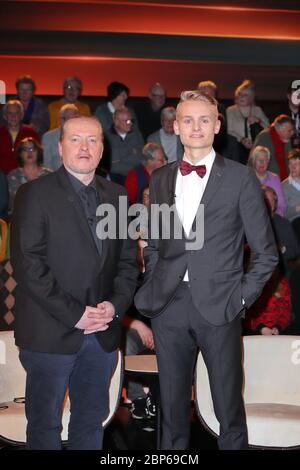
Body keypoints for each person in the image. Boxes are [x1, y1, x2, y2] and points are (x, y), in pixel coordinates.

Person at [135, 90, 278, 450]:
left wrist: (240, 297)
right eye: (187, 120)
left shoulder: (242, 179)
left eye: (203, 119)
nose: (195, 126)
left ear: (217, 125)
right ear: (176, 127)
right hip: (169, 306)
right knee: (170, 408)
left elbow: (266, 253)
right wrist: (157, 278)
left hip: (221, 305)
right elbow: (154, 242)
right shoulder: (162, 178)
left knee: (228, 407)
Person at [11, 115, 138, 450]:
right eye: (76, 139)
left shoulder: (117, 195)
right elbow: (28, 266)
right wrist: (75, 314)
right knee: (44, 426)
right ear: (60, 146)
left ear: (102, 149)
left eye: (93, 140)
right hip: (49, 333)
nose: (85, 147)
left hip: (101, 335)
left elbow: (127, 264)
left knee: (89, 424)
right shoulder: (33, 193)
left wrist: (113, 306)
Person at [7, 137, 52, 214]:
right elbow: (13, 201)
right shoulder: (13, 175)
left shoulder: (49, 175)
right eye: (25, 150)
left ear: (38, 152)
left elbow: (51, 200)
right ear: (20, 154)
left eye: (32, 149)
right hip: (19, 217)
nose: (29, 153)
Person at [248, 145, 287, 216]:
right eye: (258, 159)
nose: (261, 162)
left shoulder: (274, 178)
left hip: (272, 218)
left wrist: (274, 219)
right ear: (253, 161)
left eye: (265, 160)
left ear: (268, 162)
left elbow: (281, 206)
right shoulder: (247, 178)